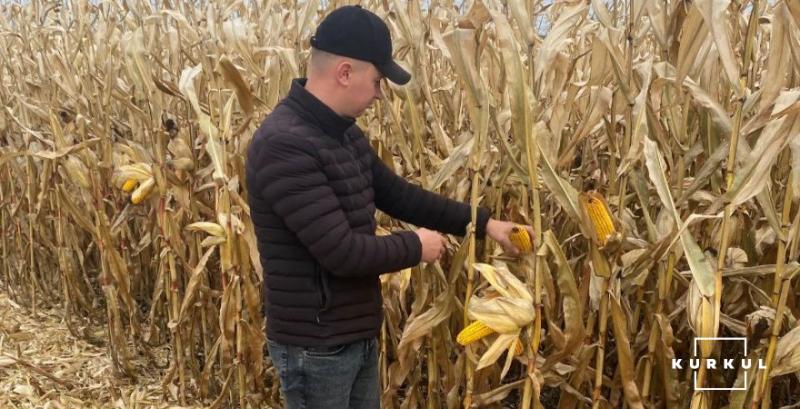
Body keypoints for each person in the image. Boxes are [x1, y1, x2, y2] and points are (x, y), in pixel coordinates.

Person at [245, 5, 535, 409]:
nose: (381, 94)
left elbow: (400, 196)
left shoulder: (342, 135)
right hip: (316, 348)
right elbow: (341, 253)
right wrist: (416, 247)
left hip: (352, 334)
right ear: (345, 73)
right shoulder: (285, 146)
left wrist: (485, 224)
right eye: (378, 80)